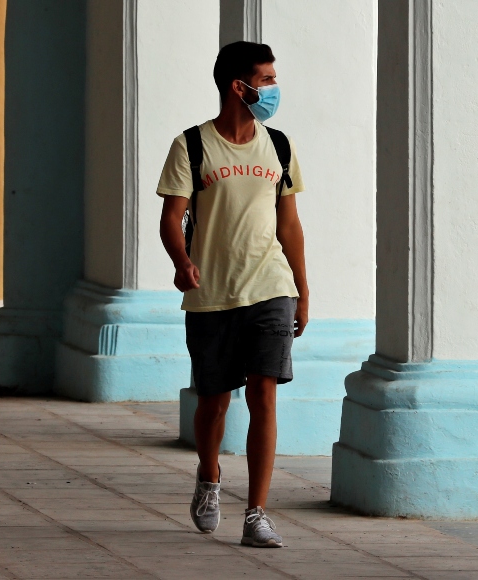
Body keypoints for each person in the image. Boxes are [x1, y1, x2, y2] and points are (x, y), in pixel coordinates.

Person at [156, 41, 308, 548]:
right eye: (265, 80)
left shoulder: (279, 146)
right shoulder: (192, 146)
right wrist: (182, 262)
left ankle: (258, 513)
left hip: (270, 287)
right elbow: (171, 217)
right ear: (237, 87)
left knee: (264, 394)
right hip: (213, 294)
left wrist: (302, 290)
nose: (272, 89)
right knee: (214, 401)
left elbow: (290, 225)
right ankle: (209, 477)